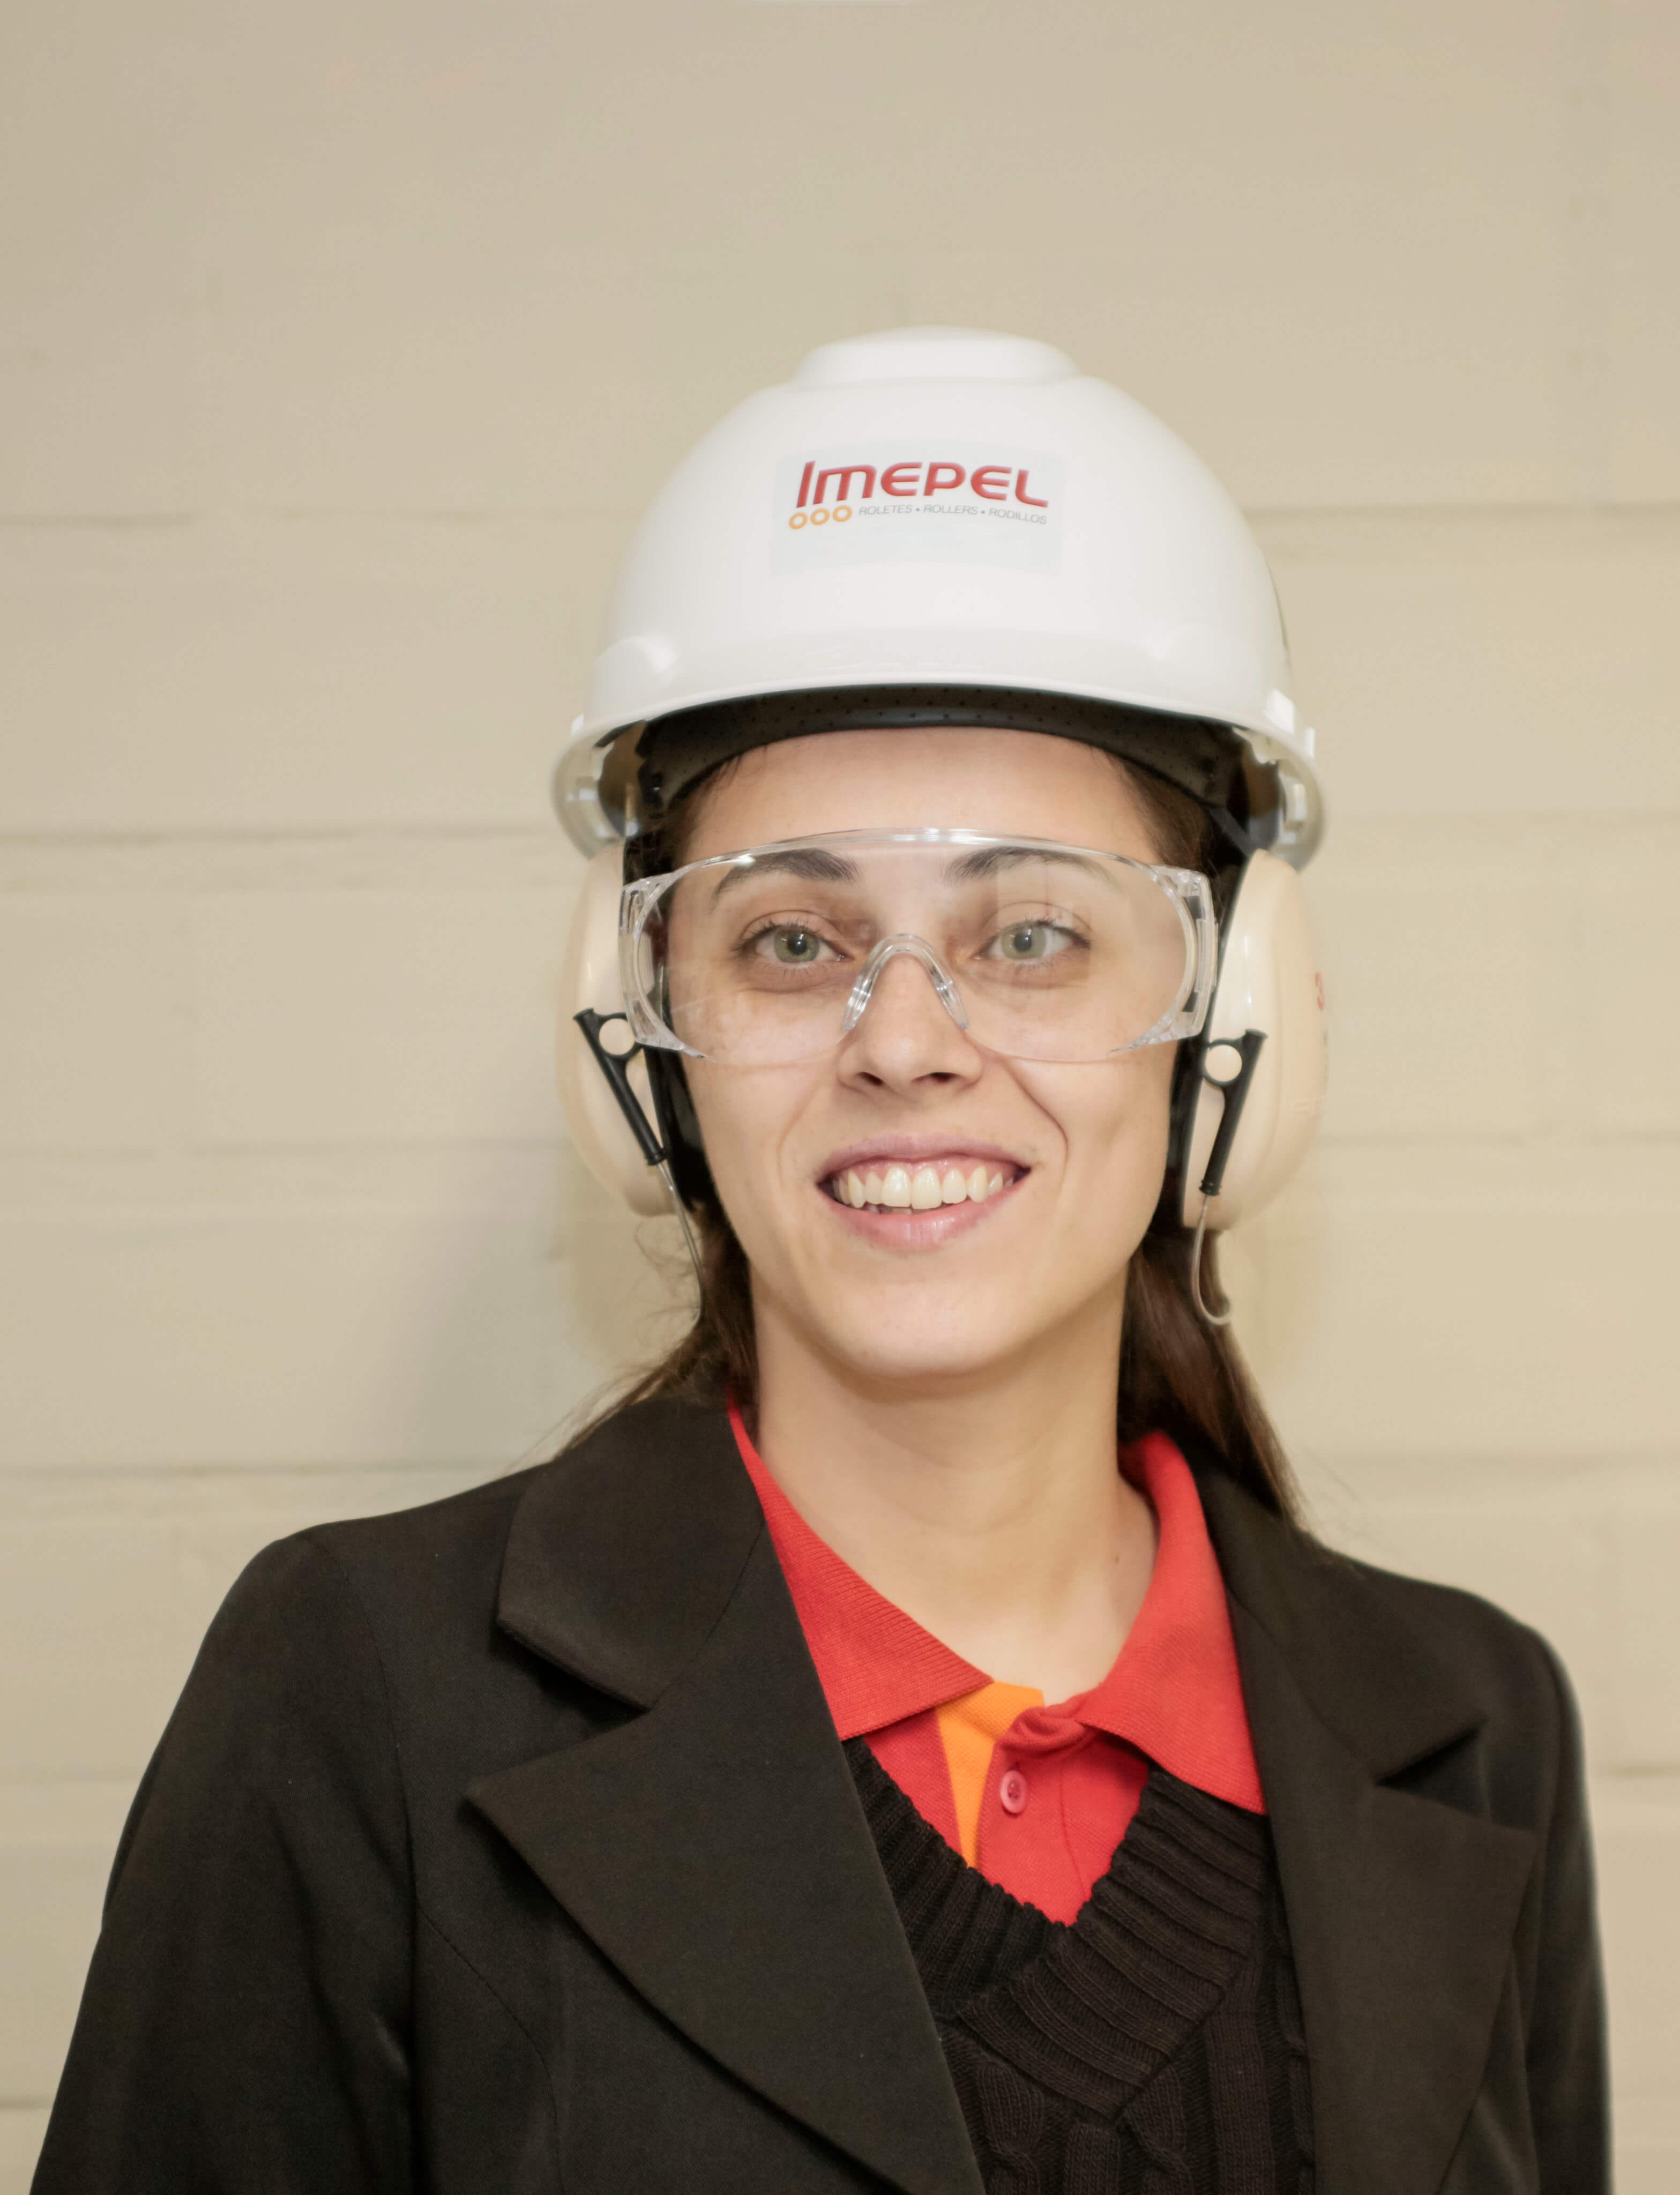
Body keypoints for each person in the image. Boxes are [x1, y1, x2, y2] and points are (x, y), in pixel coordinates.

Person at [34, 330, 1606, 2194]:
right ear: (640, 1034)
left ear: (1232, 1021)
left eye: (1032, 934)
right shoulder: (361, 1693)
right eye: (792, 942)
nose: (905, 1041)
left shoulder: (1469, 1728)